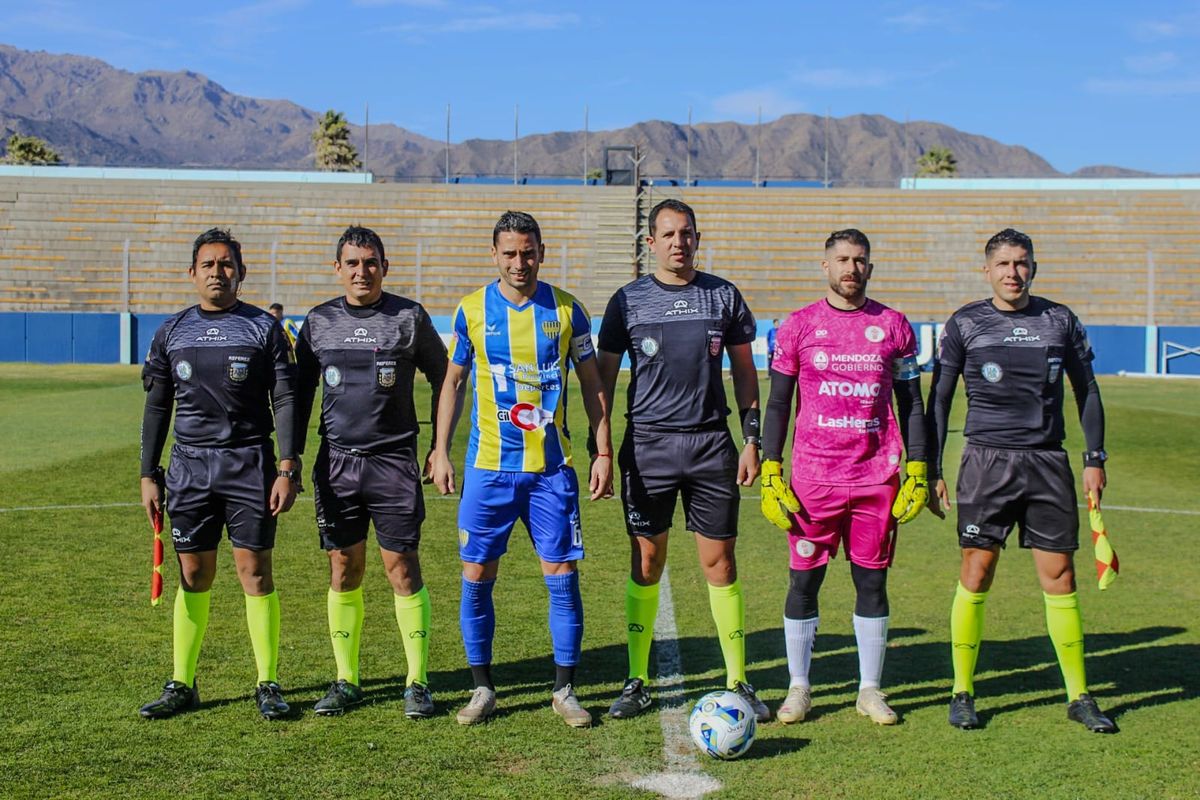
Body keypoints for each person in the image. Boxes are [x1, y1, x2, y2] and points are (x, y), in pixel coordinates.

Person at [928, 228, 1116, 733]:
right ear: (987, 269)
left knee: (1061, 578)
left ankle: (1079, 695)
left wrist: (1093, 458)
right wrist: (932, 469)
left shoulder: (1059, 320)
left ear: (1033, 267)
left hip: (1047, 464)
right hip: (986, 464)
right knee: (977, 573)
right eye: (1004, 264)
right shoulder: (967, 322)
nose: (1014, 273)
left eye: (1022, 263)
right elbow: (940, 400)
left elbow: (1088, 391)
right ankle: (962, 689)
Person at [430, 210, 613, 728]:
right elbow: (454, 383)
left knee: (561, 575)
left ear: (541, 252)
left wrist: (603, 451)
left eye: (528, 252)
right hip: (488, 468)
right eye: (509, 253)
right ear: (495, 254)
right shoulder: (470, 310)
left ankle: (564, 690)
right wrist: (440, 450)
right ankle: (482, 688)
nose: (519, 262)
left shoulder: (568, 310)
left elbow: (592, 384)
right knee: (476, 576)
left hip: (551, 470)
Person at [597, 198, 768, 722]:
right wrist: (600, 448)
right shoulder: (627, 302)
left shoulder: (723, 296)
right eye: (668, 234)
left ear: (697, 237)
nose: (679, 242)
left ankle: (738, 679)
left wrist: (752, 437)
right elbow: (601, 383)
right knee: (646, 561)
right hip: (648, 447)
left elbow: (744, 373)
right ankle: (637, 678)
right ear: (651, 243)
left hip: (711, 446)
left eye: (687, 233)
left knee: (720, 563)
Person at [759, 229, 928, 726]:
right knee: (803, 582)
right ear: (825, 266)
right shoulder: (797, 327)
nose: (850, 268)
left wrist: (916, 464)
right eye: (842, 259)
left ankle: (870, 690)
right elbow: (777, 403)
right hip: (813, 479)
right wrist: (772, 468)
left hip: (877, 477)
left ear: (870, 267)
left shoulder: (894, 326)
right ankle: (799, 688)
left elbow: (912, 404)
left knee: (871, 582)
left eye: (859, 260)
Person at [138, 228, 299, 720]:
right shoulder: (172, 331)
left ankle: (267, 682)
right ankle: (182, 683)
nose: (217, 273)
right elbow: (157, 405)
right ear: (192, 273)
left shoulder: (263, 329)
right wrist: (148, 473)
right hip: (189, 468)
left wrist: (288, 466)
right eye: (208, 265)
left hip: (249, 463)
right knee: (193, 573)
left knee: (254, 571)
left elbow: (287, 399)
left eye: (226, 264)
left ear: (241, 273)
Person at [294, 226, 448, 718]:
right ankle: (346, 680)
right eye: (353, 263)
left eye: (371, 262)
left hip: (394, 462)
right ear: (337, 268)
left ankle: (417, 681)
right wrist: (288, 459)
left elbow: (446, 377)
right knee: (343, 567)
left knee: (401, 567)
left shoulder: (408, 318)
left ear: (385, 265)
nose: (362, 271)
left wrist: (439, 447)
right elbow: (296, 397)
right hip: (336, 464)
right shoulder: (318, 322)